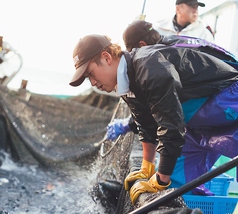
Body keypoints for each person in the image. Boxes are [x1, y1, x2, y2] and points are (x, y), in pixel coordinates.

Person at [69, 31, 238, 204]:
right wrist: (147, 168)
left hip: (227, 98)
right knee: (175, 188)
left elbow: (170, 124)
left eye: (90, 74)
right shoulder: (125, 83)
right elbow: (146, 125)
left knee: (165, 178)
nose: (93, 83)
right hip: (198, 123)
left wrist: (161, 179)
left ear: (106, 57)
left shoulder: (148, 66)